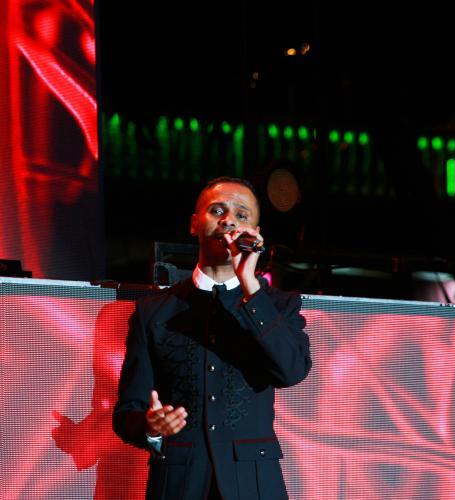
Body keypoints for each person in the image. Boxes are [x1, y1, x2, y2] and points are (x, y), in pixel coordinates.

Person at [113, 176, 312, 499]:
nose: (228, 220)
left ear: (255, 233)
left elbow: (291, 371)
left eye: (241, 214)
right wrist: (151, 428)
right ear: (194, 224)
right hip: (178, 485)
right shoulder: (154, 312)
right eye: (217, 210)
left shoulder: (278, 305)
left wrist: (250, 286)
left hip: (254, 485)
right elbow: (128, 411)